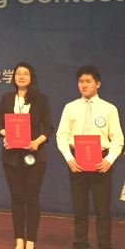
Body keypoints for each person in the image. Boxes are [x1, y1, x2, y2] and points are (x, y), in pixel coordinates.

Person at [56, 65, 124, 249]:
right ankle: (80, 244)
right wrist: (69, 158)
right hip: (76, 160)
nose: (84, 85)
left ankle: (104, 244)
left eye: (88, 81)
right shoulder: (70, 108)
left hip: (101, 160)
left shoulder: (109, 109)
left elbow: (118, 138)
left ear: (98, 84)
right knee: (79, 209)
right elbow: (61, 135)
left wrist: (109, 160)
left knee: (103, 210)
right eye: (80, 81)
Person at [0, 62, 54, 249]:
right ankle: (19, 240)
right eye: (18, 73)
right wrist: (7, 135)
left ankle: (30, 241)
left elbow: (48, 128)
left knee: (32, 199)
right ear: (14, 77)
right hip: (11, 158)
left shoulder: (41, 99)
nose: (21, 76)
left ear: (31, 77)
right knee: (17, 199)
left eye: (25, 74)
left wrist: (37, 142)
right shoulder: (7, 98)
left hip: (35, 156)